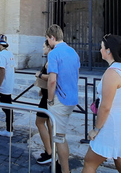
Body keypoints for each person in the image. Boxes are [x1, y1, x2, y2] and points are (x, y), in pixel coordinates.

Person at [82, 34, 121, 173]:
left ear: (108, 51)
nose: (100, 50)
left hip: (112, 124)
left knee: (89, 162)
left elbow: (106, 106)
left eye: (101, 47)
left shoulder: (112, 73)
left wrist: (96, 129)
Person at [45, 24, 80, 173]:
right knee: (60, 134)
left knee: (59, 137)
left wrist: (50, 99)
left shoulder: (53, 54)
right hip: (72, 97)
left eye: (48, 39)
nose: (48, 43)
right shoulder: (73, 52)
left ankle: (65, 170)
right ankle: (58, 164)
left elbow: (52, 80)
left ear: (52, 38)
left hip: (60, 98)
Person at [34, 40, 53, 165]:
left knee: (39, 122)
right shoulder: (51, 59)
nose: (42, 49)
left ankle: (49, 152)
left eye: (44, 46)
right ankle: (51, 149)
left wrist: (39, 75)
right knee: (48, 122)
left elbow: (52, 77)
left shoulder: (50, 61)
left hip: (47, 97)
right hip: (46, 93)